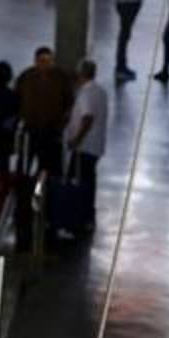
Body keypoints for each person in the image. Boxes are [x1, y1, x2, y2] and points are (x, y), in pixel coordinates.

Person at [64, 59, 108, 236]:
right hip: (95, 146)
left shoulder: (86, 94)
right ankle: (88, 217)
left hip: (84, 147)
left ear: (81, 74)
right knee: (89, 182)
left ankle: (77, 219)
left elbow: (87, 118)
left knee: (79, 183)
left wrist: (75, 140)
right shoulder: (100, 91)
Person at [15, 47, 74, 177]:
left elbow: (69, 103)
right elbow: (16, 100)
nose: (45, 64)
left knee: (50, 167)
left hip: (52, 130)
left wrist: (61, 125)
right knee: (24, 164)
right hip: (31, 129)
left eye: (49, 61)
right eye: (42, 61)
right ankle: (23, 190)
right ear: (35, 61)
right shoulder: (26, 77)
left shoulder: (61, 79)